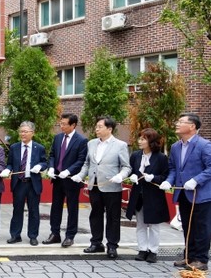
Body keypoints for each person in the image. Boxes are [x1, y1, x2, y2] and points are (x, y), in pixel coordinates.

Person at [71, 116, 131, 259]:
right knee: (95, 215)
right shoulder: (92, 143)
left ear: (109, 129)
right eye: (96, 126)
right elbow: (87, 163)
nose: (96, 129)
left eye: (100, 126)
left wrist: (120, 176)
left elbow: (126, 167)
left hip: (111, 186)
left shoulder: (120, 145)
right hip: (94, 185)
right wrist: (80, 175)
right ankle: (96, 243)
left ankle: (112, 245)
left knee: (113, 217)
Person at [160, 113, 211, 271]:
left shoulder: (204, 145)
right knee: (187, 226)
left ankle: (201, 259)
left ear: (192, 126)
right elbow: (173, 169)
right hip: (183, 193)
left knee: (201, 227)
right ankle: (189, 256)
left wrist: (196, 180)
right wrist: (169, 181)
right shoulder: (176, 147)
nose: (177, 124)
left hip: (201, 195)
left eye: (181, 122)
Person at [44, 113, 88, 247]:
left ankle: (70, 236)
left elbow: (81, 160)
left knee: (72, 208)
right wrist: (51, 167)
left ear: (73, 125)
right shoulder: (58, 138)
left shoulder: (81, 140)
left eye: (64, 124)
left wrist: (68, 171)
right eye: (60, 123)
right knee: (56, 207)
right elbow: (52, 155)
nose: (61, 126)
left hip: (71, 180)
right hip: (57, 179)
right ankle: (55, 233)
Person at [126, 128, 169, 263]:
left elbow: (165, 176)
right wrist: (132, 176)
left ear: (151, 141)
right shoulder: (135, 155)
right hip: (138, 195)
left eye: (143, 139)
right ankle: (142, 249)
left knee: (154, 225)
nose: (140, 141)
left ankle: (153, 251)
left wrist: (153, 177)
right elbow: (131, 171)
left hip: (154, 195)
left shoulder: (161, 157)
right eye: (140, 138)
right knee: (140, 224)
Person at [0, 121, 47, 246]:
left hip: (33, 183)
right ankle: (15, 235)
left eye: (26, 131)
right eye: (21, 131)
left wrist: (39, 166)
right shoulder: (14, 147)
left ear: (32, 133)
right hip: (19, 183)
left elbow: (44, 162)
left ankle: (33, 236)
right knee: (17, 210)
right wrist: (7, 169)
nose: (23, 134)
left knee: (33, 211)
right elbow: (10, 163)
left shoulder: (39, 148)